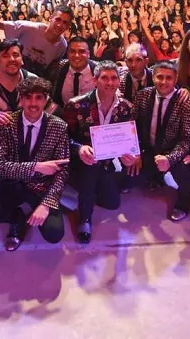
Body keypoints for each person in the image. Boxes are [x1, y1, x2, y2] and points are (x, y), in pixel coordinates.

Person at [0, 77, 70, 251]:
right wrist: (36, 167)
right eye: (28, 97)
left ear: (46, 100)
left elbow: (63, 171)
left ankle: (30, 209)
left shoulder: (59, 127)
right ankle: (18, 217)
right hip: (11, 185)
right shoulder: (8, 124)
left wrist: (46, 204)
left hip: (41, 187)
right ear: (20, 99)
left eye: (39, 97)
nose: (33, 103)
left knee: (54, 234)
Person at [62, 61, 132, 243]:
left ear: (119, 81)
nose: (110, 83)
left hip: (106, 163)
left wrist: (128, 155)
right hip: (81, 161)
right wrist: (80, 148)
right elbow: (62, 139)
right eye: (105, 78)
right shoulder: (76, 105)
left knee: (112, 203)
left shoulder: (126, 107)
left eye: (114, 78)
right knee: (90, 169)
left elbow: (126, 140)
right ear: (95, 81)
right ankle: (85, 218)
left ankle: (87, 187)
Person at [0, 39, 53, 167]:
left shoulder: (34, 81)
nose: (12, 59)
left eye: (16, 55)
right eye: (5, 55)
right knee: (2, 187)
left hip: (32, 157)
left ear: (22, 59)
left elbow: (50, 111)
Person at [130, 61, 190, 222]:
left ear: (175, 80)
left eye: (169, 78)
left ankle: (184, 200)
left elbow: (188, 139)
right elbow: (132, 125)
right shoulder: (143, 95)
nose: (164, 82)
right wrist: (135, 151)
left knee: (187, 170)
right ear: (153, 77)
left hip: (173, 152)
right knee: (128, 176)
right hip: (149, 150)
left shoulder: (186, 102)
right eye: (160, 77)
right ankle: (155, 177)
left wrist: (170, 158)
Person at [0, 3, 72, 77]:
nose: (60, 25)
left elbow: (50, 68)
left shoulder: (62, 46)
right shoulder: (30, 28)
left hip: (28, 86)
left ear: (68, 26)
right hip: (3, 75)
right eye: (58, 20)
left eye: (65, 22)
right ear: (51, 18)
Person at [48, 35, 98, 108]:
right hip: (63, 117)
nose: (77, 55)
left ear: (88, 54)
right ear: (67, 54)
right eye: (72, 51)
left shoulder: (99, 70)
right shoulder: (58, 68)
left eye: (81, 51)